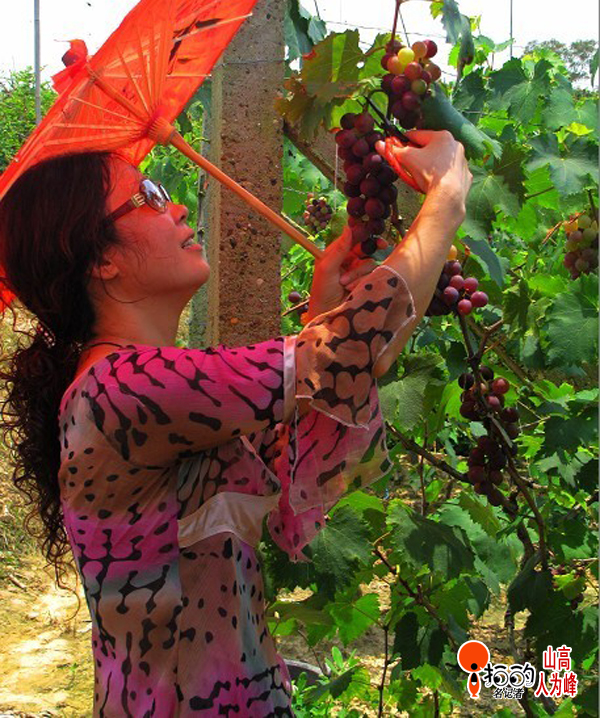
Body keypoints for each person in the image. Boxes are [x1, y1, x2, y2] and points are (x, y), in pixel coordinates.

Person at [0, 130, 471, 716]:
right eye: (147, 197)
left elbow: (312, 407)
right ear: (102, 260)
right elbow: (340, 356)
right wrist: (447, 196)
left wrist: (324, 309)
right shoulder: (120, 390)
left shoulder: (145, 390)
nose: (175, 206)